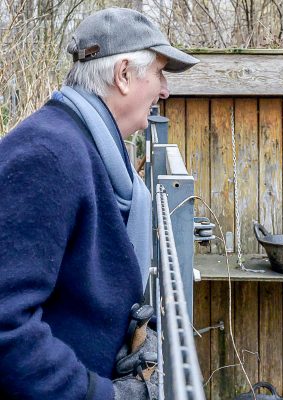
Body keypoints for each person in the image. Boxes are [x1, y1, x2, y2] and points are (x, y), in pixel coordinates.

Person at [0, 7, 198, 400]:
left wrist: (135, 335)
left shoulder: (90, 148)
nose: (165, 91)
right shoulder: (48, 155)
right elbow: (6, 322)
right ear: (123, 75)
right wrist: (100, 394)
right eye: (159, 73)